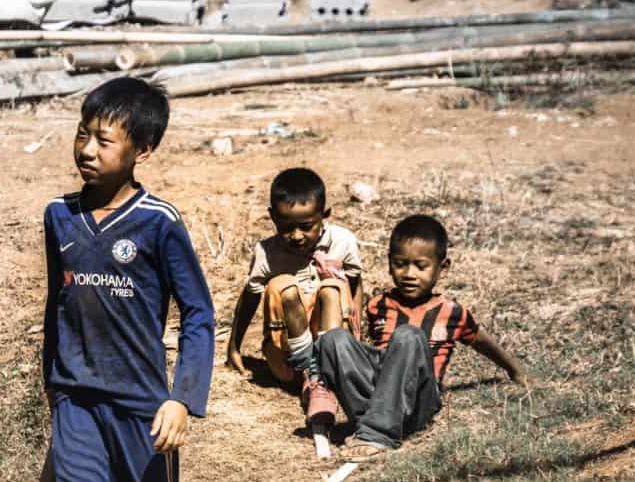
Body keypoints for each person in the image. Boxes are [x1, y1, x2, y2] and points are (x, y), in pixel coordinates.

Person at [42, 77, 214, 482]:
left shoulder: (157, 224)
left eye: (104, 140)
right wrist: (54, 383)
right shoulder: (59, 216)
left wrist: (182, 398)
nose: (87, 150)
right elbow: (58, 305)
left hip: (140, 410)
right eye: (82, 134)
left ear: (143, 150)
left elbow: (199, 314)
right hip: (75, 404)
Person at [316, 214, 528, 462]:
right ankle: (371, 420)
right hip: (380, 396)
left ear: (443, 267)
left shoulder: (452, 312)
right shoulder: (379, 305)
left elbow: (483, 341)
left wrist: (516, 370)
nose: (409, 273)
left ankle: (378, 434)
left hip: (419, 402)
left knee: (408, 336)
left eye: (420, 265)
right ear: (389, 264)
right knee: (333, 339)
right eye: (400, 264)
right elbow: (365, 357)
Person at [225, 168, 363, 447]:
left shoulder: (343, 242)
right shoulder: (267, 252)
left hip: (336, 357)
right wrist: (234, 346)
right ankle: (309, 372)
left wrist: (357, 343)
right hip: (286, 362)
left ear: (325, 215)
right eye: (287, 227)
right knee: (284, 285)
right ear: (272, 217)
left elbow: (356, 287)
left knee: (333, 288)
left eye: (307, 226)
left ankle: (323, 375)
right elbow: (250, 296)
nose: (297, 235)